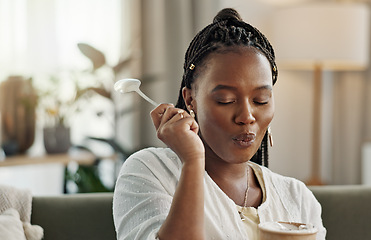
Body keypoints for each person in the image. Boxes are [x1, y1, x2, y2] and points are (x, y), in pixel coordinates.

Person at [113, 8, 326, 240]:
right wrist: (193, 161)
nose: (247, 116)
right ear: (189, 99)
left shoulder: (297, 198)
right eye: (226, 100)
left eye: (260, 100)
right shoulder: (150, 172)